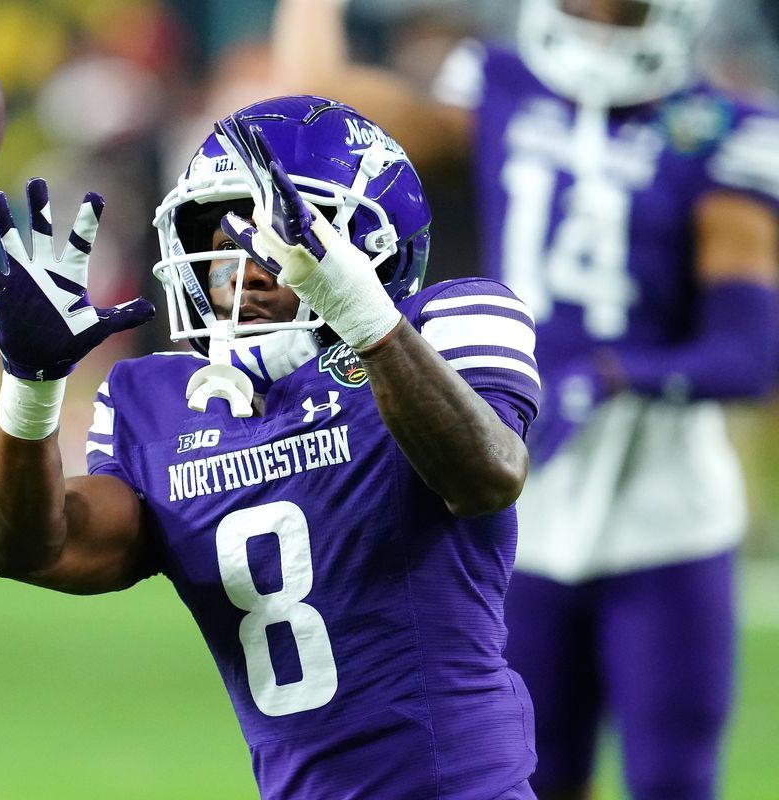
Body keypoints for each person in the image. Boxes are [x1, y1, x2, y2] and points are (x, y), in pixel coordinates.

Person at [0, 94, 542, 799]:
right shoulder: (154, 401)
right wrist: (30, 387)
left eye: (275, 232)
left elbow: (488, 475)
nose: (244, 263)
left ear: (369, 244)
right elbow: (29, 548)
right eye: (220, 233)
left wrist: (364, 318)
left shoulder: (454, 319)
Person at [270, 1, 779, 798]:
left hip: (665, 507)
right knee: (529, 778)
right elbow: (314, 109)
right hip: (519, 505)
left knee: (676, 782)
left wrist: (612, 374)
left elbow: (747, 354)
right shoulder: (498, 82)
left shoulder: (720, 129)